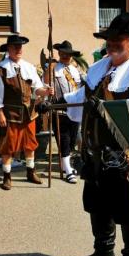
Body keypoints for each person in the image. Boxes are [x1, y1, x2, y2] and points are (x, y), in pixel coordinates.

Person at [48, 12, 129, 256]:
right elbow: (80, 98)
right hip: (94, 152)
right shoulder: (101, 67)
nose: (111, 44)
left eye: (118, 40)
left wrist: (127, 151)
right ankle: (103, 250)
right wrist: (55, 102)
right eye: (108, 39)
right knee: (97, 206)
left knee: (127, 211)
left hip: (122, 157)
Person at [0, 34, 53, 190]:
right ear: (8, 49)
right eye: (15, 47)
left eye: (20, 47)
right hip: (10, 114)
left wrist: (45, 92)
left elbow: (36, 89)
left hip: (29, 114)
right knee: (8, 146)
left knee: (30, 145)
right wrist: (0, 113)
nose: (18, 49)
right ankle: (7, 176)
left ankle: (30, 172)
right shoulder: (0, 69)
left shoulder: (29, 67)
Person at [47, 40, 83, 183]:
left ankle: (64, 166)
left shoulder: (75, 70)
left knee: (73, 139)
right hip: (59, 108)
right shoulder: (52, 69)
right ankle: (68, 171)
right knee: (64, 140)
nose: (65, 56)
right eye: (62, 54)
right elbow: (46, 84)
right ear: (59, 54)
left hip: (75, 108)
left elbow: (79, 88)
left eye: (68, 54)